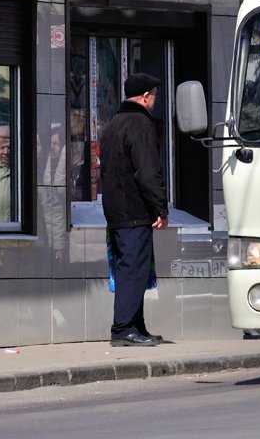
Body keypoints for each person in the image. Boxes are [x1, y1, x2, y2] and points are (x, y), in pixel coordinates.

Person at [100, 73, 168, 347]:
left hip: (115, 210)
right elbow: (148, 171)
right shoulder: (140, 124)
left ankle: (137, 326)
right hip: (134, 210)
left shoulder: (114, 124)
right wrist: (160, 208)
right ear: (145, 97)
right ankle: (124, 328)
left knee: (131, 267)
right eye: (154, 96)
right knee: (134, 269)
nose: (155, 101)